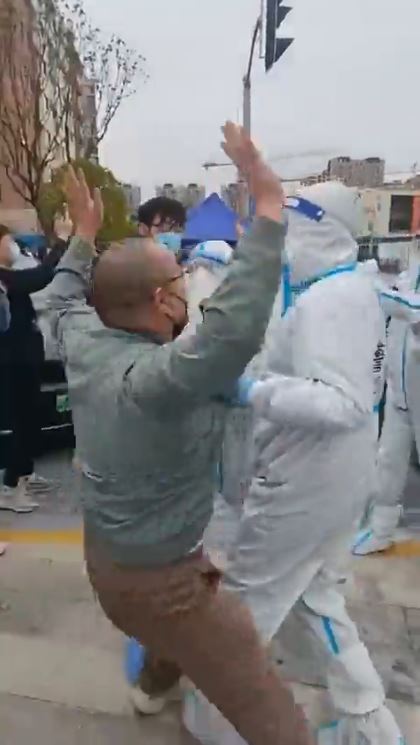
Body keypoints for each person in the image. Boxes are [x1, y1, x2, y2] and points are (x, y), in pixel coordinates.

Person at [47, 123, 313, 745]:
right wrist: (270, 208)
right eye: (179, 279)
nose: (189, 287)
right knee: (264, 702)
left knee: (176, 625)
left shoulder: (81, 337)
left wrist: (84, 235)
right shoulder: (156, 381)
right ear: (163, 304)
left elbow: (58, 298)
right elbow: (230, 333)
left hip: (109, 561)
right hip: (162, 582)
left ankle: (151, 687)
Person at [188, 182, 402, 745]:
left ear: (315, 226)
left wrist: (250, 390)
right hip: (335, 480)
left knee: (240, 615)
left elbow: (342, 403)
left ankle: (218, 732)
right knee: (316, 600)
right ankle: (374, 731)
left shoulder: (325, 303)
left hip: (305, 486)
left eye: (284, 224)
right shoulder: (347, 288)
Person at [353, 263, 420, 555]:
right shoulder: (417, 264)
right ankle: (381, 530)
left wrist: (377, 290)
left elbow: (413, 308)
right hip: (401, 384)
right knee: (389, 461)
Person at [0, 226, 65, 512]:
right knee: (18, 424)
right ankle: (10, 486)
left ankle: (24, 474)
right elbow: (38, 277)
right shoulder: (5, 279)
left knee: (30, 421)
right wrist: (62, 242)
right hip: (9, 364)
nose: (14, 246)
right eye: (8, 241)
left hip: (24, 362)